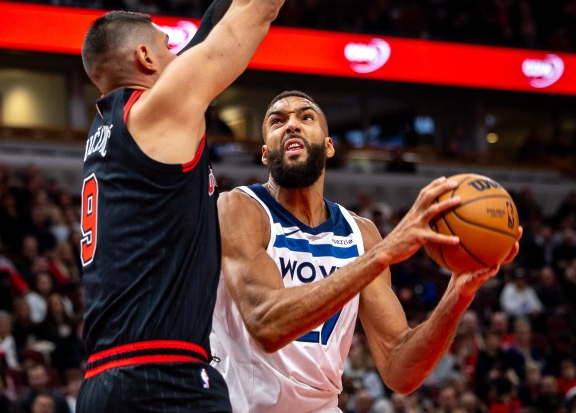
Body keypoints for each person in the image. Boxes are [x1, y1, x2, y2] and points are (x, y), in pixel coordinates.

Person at [210, 90, 522, 412]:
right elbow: (266, 324)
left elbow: (400, 369)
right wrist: (382, 254)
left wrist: (458, 294)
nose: (291, 125)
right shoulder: (239, 208)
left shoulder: (361, 234)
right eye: (277, 121)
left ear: (329, 146)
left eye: (306, 117)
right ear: (264, 153)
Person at [76, 0, 285, 412]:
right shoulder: (157, 112)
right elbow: (254, 16)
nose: (179, 56)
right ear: (145, 57)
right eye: (168, 46)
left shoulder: (112, 127)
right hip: (163, 378)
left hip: (104, 381)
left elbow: (210, 33)